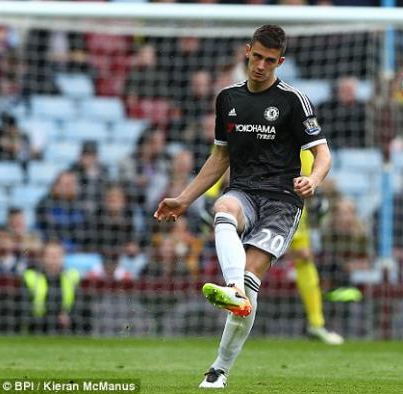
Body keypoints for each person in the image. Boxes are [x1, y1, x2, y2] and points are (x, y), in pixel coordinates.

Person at [154, 25, 331, 389]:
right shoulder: (227, 99)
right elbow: (220, 156)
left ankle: (218, 368)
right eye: (257, 57)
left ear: (279, 61)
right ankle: (232, 287)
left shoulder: (293, 101)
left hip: (282, 202)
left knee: (251, 286)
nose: (261, 66)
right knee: (223, 205)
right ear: (246, 52)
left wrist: (313, 180)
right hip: (245, 190)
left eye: (270, 60)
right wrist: (185, 198)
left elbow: (322, 153)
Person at [290, 150, 343, 345]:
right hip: (271, 195)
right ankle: (238, 314)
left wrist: (316, 189)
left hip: (295, 201)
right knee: (256, 258)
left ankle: (316, 324)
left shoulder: (301, 128)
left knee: (304, 259)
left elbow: (312, 152)